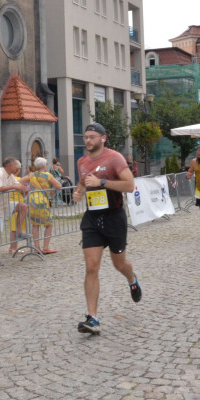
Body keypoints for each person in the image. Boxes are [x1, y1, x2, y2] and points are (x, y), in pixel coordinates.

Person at [72, 123, 140, 335]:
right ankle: (93, 318)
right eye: (86, 137)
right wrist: (78, 192)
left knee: (119, 264)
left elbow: (129, 185)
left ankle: (132, 279)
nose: (88, 141)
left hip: (114, 218)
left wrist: (102, 181)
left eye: (92, 137)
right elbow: (83, 183)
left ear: (103, 138)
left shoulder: (114, 158)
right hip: (92, 219)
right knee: (91, 267)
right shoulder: (81, 161)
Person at [0, 157, 31, 267]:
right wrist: (14, 186)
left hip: (3, 205)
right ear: (11, 166)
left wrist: (23, 189)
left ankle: (18, 232)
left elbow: (17, 184)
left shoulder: (11, 175)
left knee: (22, 206)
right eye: (16, 166)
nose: (18, 168)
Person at [27, 157, 62, 254]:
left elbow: (20, 182)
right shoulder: (47, 175)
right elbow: (58, 186)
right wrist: (52, 191)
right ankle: (45, 247)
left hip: (32, 201)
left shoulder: (31, 175)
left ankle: (37, 248)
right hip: (42, 201)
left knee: (35, 224)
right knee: (49, 224)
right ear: (44, 166)